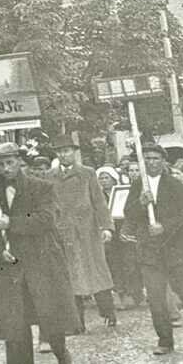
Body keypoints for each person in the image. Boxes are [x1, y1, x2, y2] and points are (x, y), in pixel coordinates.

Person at [0, 142, 81, 364]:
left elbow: (47, 219)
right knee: (15, 322)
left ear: (19, 162)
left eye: (9, 163)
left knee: (50, 317)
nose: (5, 169)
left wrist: (12, 223)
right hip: (10, 266)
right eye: (0, 165)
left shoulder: (41, 187)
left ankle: (60, 351)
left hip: (41, 261)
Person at [122, 143, 183, 354]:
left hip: (175, 250)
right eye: (147, 159)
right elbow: (128, 213)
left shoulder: (175, 185)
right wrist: (141, 203)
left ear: (163, 161)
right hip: (150, 252)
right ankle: (165, 340)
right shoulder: (138, 186)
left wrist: (165, 226)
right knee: (156, 298)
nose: (152, 162)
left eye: (156, 158)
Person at [49, 137, 117, 329]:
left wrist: (106, 227)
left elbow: (99, 202)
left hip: (88, 231)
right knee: (70, 276)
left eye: (67, 151)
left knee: (96, 271)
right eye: (60, 151)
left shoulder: (87, 173)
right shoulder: (50, 176)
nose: (63, 155)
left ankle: (108, 311)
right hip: (64, 233)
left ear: (74, 152)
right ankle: (76, 322)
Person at [98, 166, 144, 307]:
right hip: (109, 232)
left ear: (113, 179)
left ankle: (134, 292)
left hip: (124, 229)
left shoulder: (123, 192)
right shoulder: (98, 196)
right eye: (101, 178)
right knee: (114, 262)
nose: (104, 181)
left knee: (130, 261)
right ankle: (120, 292)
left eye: (107, 178)